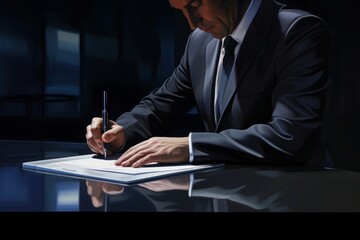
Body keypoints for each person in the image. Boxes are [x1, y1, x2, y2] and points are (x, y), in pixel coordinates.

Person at [86, 0, 329, 168]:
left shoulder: (297, 31)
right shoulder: (200, 42)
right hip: (221, 195)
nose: (191, 22)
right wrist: (120, 132)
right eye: (179, 10)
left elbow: (289, 136)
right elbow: (161, 104)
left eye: (195, 4)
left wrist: (190, 145)